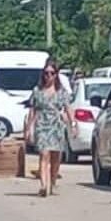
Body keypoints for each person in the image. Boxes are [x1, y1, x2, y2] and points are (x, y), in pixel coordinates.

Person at [25, 62, 75, 198]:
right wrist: (29, 128)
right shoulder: (37, 91)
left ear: (56, 74)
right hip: (42, 125)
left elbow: (68, 108)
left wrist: (73, 124)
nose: (49, 76)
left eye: (52, 73)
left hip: (57, 125)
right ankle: (43, 185)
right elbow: (33, 110)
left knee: (55, 157)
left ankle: (52, 182)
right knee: (44, 154)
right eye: (46, 73)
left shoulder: (61, 92)